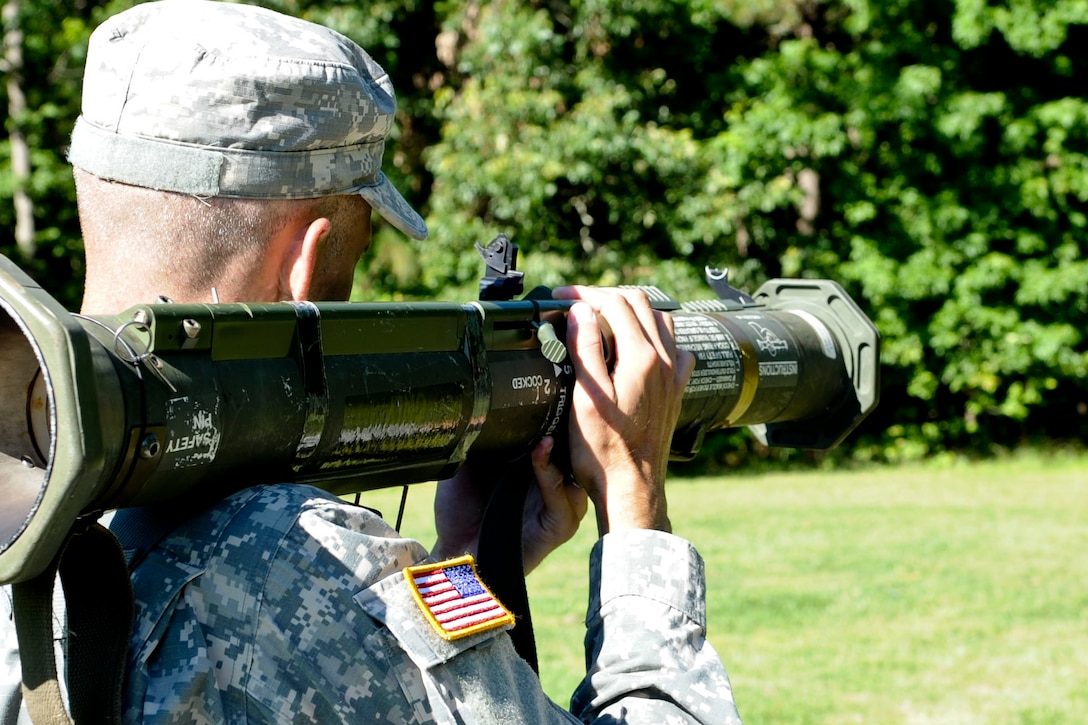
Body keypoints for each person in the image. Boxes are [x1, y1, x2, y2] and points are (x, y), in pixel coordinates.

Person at [0, 1, 742, 723]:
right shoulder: (302, 562)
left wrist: (470, 561)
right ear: (308, 259)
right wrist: (638, 511)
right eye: (351, 260)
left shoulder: (24, 509)